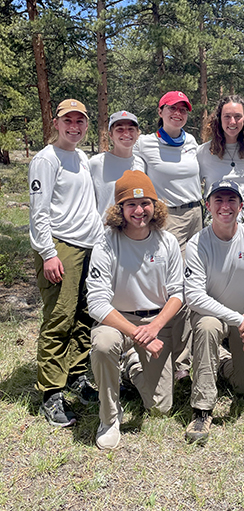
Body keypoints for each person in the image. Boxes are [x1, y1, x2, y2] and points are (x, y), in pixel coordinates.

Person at [86, 171, 183, 450]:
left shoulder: (168, 242)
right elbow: (97, 303)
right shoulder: (106, 242)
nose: (139, 211)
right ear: (120, 209)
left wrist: (153, 329)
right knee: (104, 344)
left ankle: (131, 363)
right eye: (131, 204)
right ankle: (109, 418)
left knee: (160, 408)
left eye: (146, 203)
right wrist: (138, 334)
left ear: (155, 205)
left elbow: (178, 294)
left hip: (156, 320)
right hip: (117, 320)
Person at [184, 179, 244, 444]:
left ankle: (221, 361)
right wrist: (240, 319)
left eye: (231, 200)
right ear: (208, 205)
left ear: (241, 205)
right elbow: (194, 296)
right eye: (218, 200)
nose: (225, 206)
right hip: (215, 317)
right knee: (207, 327)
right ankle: (202, 409)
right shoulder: (197, 243)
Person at [29, 98, 104, 427]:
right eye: (68, 121)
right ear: (55, 124)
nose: (74, 127)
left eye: (80, 122)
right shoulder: (46, 160)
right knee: (59, 318)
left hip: (89, 246)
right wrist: (48, 252)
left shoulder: (80, 157)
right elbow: (38, 212)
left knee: (83, 315)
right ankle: (50, 392)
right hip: (62, 246)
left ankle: (75, 374)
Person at [134, 90, 201, 381]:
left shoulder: (192, 143)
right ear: (160, 111)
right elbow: (136, 181)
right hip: (167, 217)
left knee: (195, 282)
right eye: (172, 108)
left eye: (183, 109)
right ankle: (173, 359)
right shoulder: (145, 144)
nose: (178, 114)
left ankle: (185, 356)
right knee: (176, 287)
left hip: (196, 214)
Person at [197, 95, 244, 236]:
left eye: (238, 116)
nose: (232, 121)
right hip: (218, 211)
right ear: (218, 119)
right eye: (227, 116)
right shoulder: (204, 152)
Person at [89, 110, 144, 219]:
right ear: (110, 135)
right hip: (104, 230)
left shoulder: (141, 164)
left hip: (132, 230)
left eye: (131, 129)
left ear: (137, 134)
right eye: (120, 129)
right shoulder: (96, 163)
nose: (126, 133)